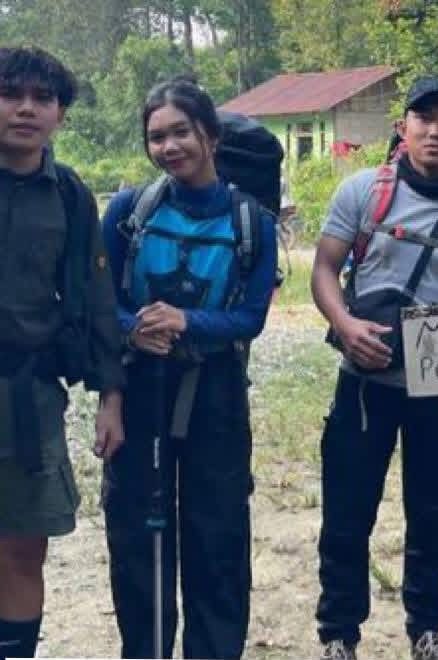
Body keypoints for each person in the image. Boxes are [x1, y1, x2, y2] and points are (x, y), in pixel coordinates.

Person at [311, 76, 438, 660]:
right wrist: (346, 326)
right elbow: (324, 270)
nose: (435, 130)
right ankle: (339, 635)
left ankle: (428, 628)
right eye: (424, 118)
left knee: (431, 515)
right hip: (364, 381)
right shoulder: (360, 193)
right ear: (404, 126)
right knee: (346, 513)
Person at [100, 77, 278, 659]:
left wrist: (185, 322)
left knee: (218, 534)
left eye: (181, 132)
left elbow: (250, 317)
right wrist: (133, 329)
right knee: (139, 539)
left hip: (216, 394)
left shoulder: (252, 223)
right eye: (157, 136)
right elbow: (100, 301)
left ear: (210, 135)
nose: (170, 146)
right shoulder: (130, 211)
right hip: (140, 386)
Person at [0, 46, 124, 660]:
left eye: (42, 98)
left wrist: (112, 398)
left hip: (27, 396)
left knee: (23, 548)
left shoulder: (70, 196)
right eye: (10, 94)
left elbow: (99, 300)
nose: (25, 108)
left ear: (60, 115)